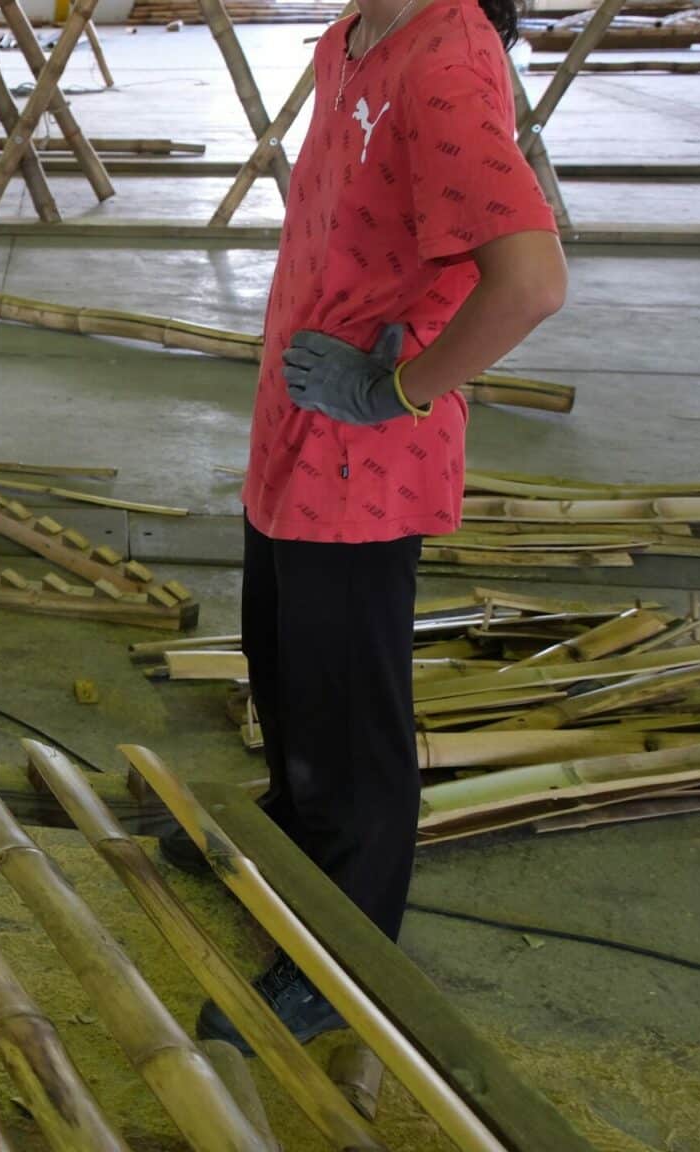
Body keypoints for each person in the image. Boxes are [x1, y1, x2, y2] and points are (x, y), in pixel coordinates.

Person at [164, 0, 567, 1049]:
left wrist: (398, 389)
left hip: (362, 450)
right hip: (299, 417)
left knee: (350, 717)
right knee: (283, 657)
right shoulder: (358, 32)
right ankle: (292, 833)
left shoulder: (438, 65)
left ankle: (343, 957)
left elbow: (528, 281)